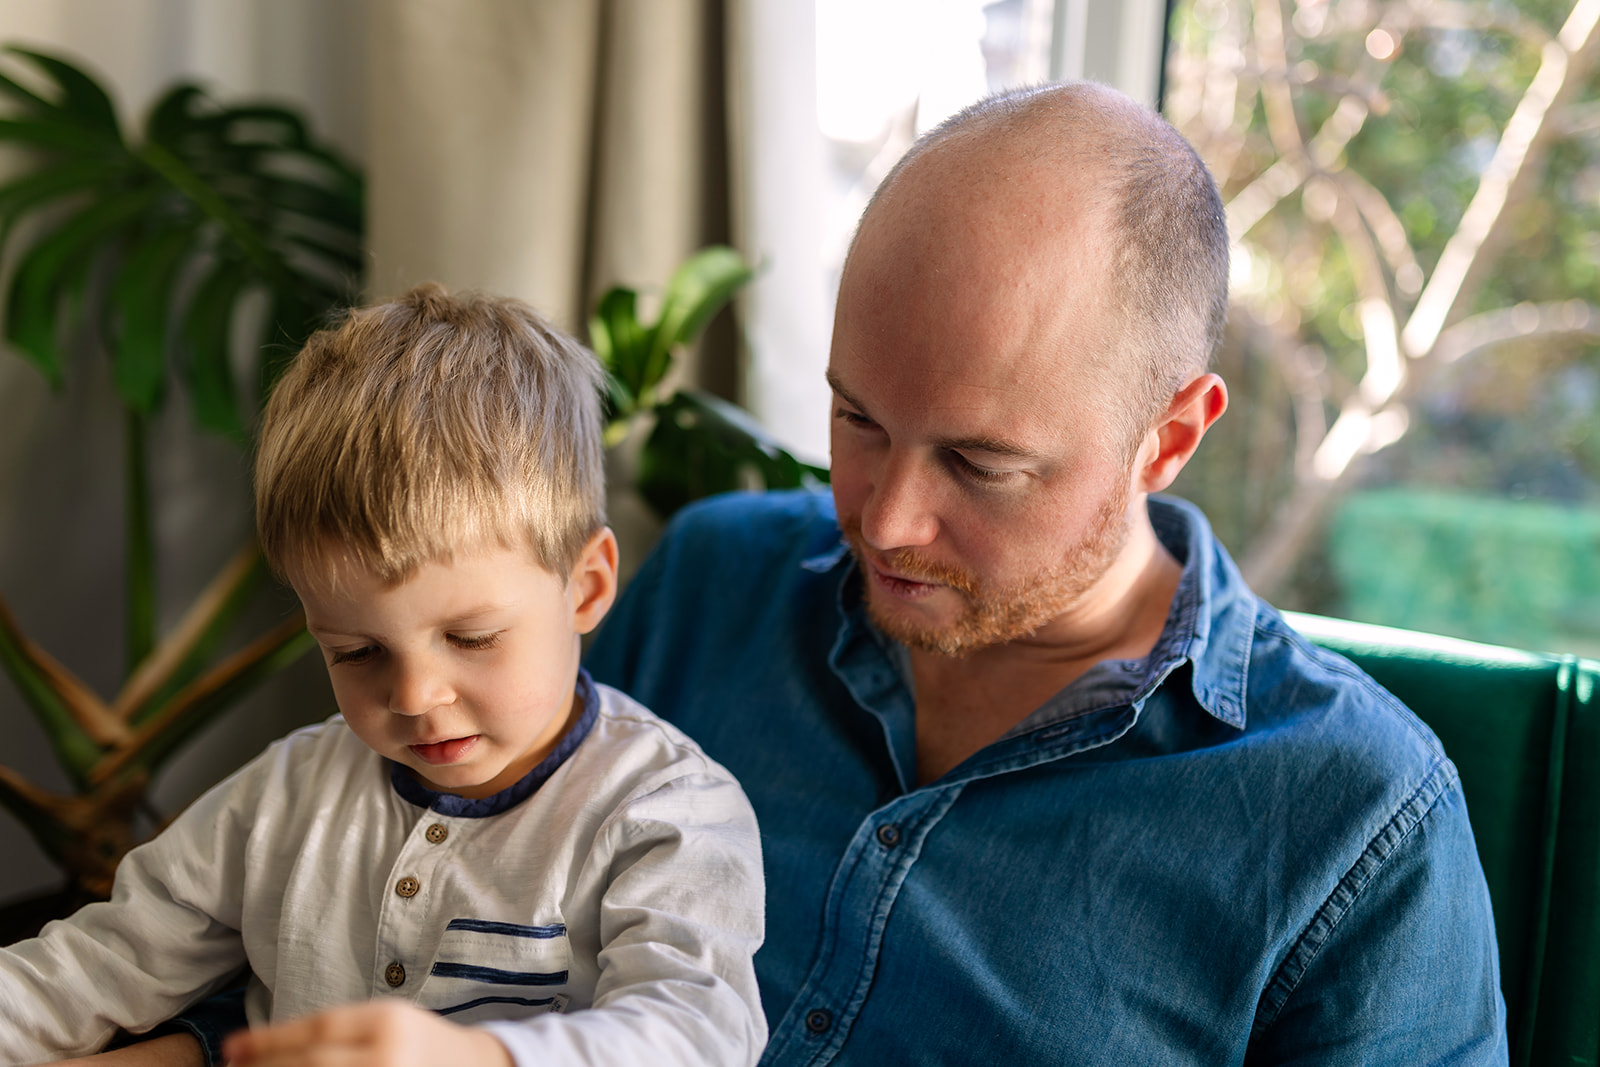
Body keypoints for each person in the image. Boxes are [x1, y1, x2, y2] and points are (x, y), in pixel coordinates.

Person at [585, 83, 1507, 1063]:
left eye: (979, 464)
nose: (886, 520)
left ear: (1170, 436)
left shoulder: (1357, 820)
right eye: (858, 418)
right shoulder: (708, 580)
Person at [0, 286, 766, 1067]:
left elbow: (696, 1030)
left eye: (471, 637)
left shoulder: (666, 811)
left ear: (587, 586)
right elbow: (100, 963)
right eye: (355, 651)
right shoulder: (288, 793)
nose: (413, 696)